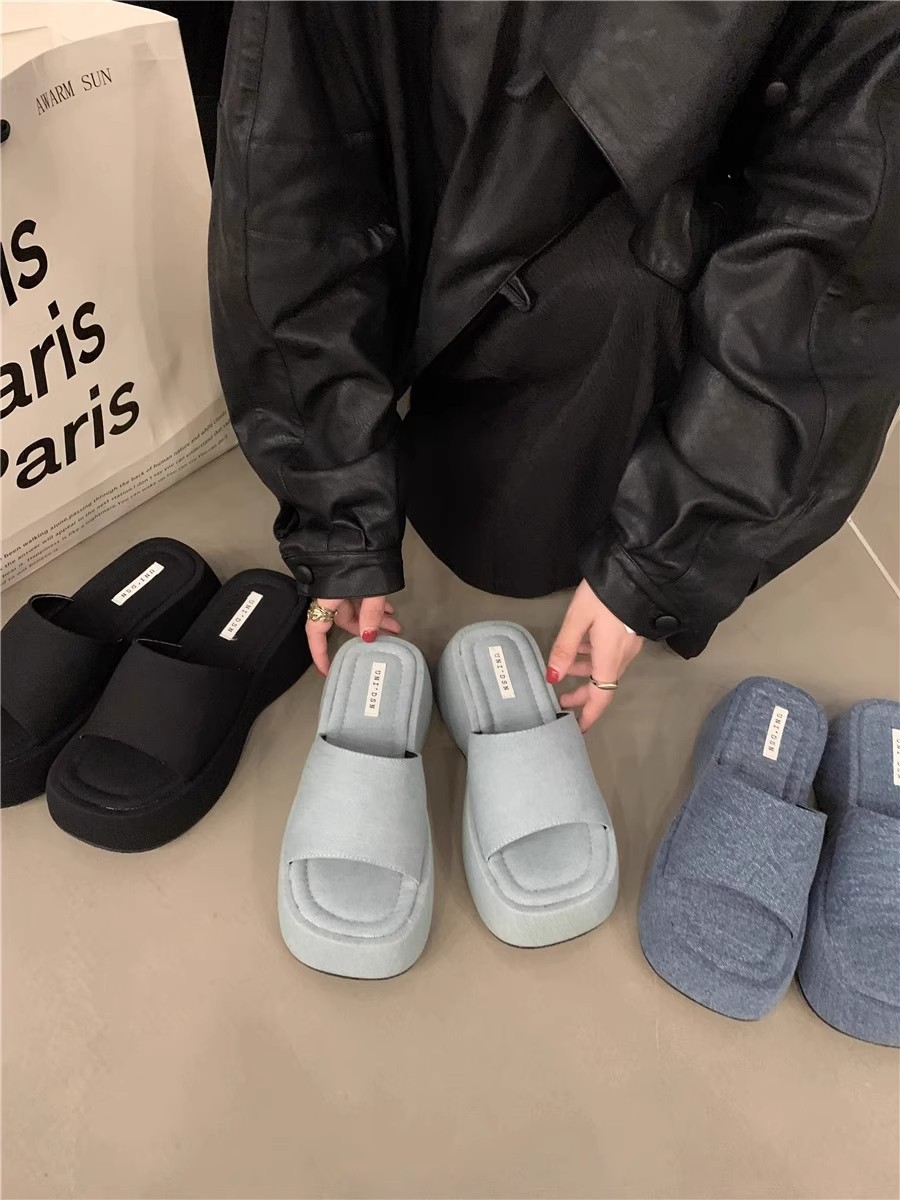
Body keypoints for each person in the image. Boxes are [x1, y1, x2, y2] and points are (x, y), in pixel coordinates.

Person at [209, 1, 899, 732]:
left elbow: (836, 254)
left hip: (622, 303)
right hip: (437, 216)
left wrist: (664, 556)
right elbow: (293, 169)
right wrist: (336, 509)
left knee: (517, 540)